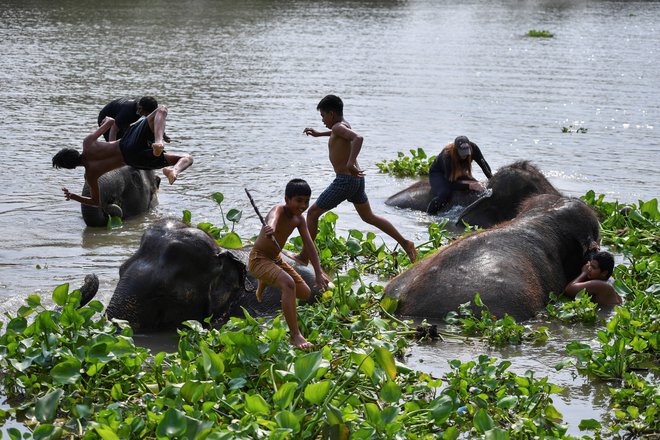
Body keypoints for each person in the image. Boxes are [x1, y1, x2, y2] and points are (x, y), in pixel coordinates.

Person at [296, 94, 417, 265]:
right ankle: (405, 242)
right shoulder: (342, 126)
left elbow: (357, 138)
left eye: (323, 116)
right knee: (369, 217)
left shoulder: (338, 127)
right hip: (356, 181)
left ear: (331, 114)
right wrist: (319, 134)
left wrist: (350, 162)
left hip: (345, 181)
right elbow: (338, 134)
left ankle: (303, 256)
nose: (323, 120)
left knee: (313, 213)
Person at [53, 105, 193, 207]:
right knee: (161, 110)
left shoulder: (91, 175)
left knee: (186, 158)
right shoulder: (88, 143)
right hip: (126, 144)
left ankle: (171, 169)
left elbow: (96, 202)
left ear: (71, 167)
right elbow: (111, 122)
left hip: (133, 160)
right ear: (72, 151)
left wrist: (73, 196)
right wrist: (105, 120)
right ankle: (161, 147)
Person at [248, 179, 329, 349]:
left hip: (276, 259)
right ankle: (295, 335)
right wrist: (269, 227)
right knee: (288, 284)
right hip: (259, 259)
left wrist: (318, 272)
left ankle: (265, 280)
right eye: (299, 201)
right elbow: (272, 219)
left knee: (305, 293)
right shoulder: (278, 209)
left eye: (306, 201)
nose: (303, 205)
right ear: (287, 199)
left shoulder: (299, 220)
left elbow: (309, 245)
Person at [427, 135, 493, 214]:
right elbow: (449, 184)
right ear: (455, 150)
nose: (464, 156)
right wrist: (470, 186)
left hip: (457, 172)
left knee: (479, 186)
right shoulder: (447, 155)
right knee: (445, 193)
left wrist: (491, 179)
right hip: (438, 173)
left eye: (466, 153)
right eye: (461, 153)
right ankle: (429, 214)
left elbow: (484, 165)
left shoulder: (474, 148)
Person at [97, 96, 169, 143]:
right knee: (117, 143)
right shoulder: (127, 112)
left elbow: (155, 121)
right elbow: (114, 129)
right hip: (106, 119)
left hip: (122, 118)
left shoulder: (143, 106)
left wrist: (163, 135)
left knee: (127, 141)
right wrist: (111, 147)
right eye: (146, 114)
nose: (147, 116)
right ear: (140, 108)